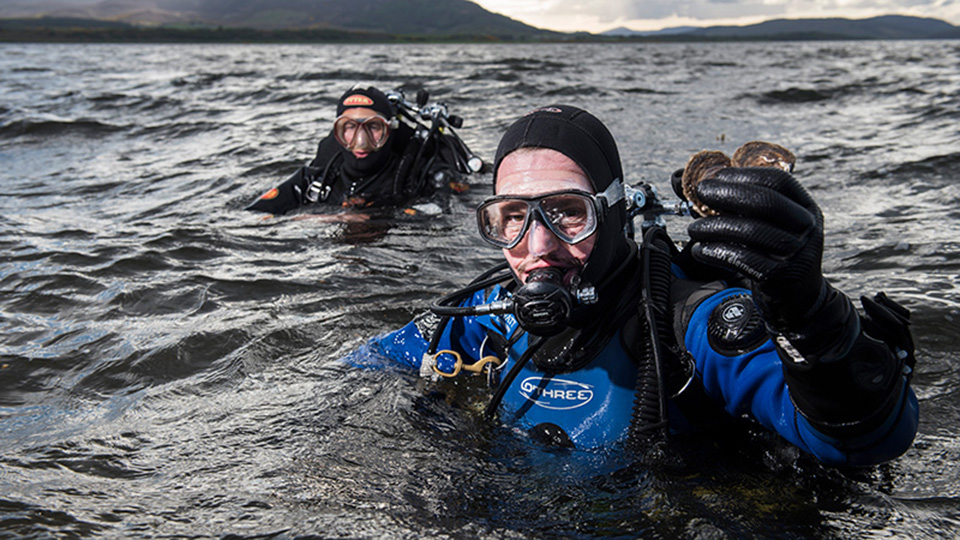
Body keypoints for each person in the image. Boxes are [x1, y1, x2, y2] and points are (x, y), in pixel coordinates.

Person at [349, 105, 918, 466]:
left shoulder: (689, 321)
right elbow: (363, 364)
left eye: (569, 213)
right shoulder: (490, 312)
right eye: (512, 217)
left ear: (618, 215)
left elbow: (862, 444)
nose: (537, 247)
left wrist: (812, 320)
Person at [246, 84, 475, 217]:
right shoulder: (316, 179)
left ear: (390, 131)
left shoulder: (420, 175)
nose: (360, 140)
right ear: (337, 132)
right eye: (349, 127)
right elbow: (251, 216)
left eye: (373, 127)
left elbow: (443, 213)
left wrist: (367, 220)